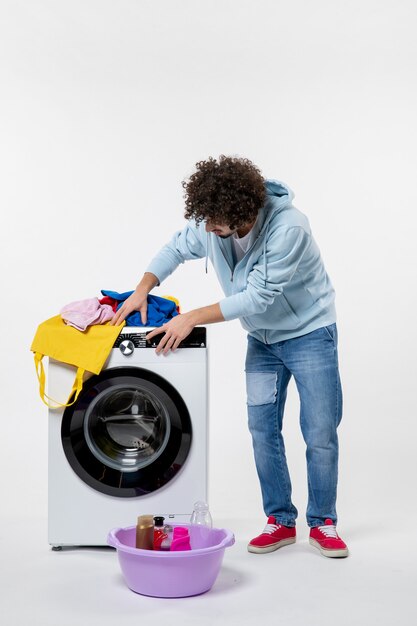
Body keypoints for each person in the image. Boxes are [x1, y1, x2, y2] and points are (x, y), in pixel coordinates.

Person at [111, 155, 349, 558]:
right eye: (204, 219)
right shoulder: (212, 220)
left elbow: (258, 297)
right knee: (263, 431)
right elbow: (174, 248)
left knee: (320, 432)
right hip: (263, 341)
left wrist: (191, 318)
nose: (206, 229)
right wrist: (142, 287)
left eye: (214, 222)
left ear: (242, 212)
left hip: (310, 334)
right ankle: (280, 520)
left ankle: (323, 523)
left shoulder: (289, 227)